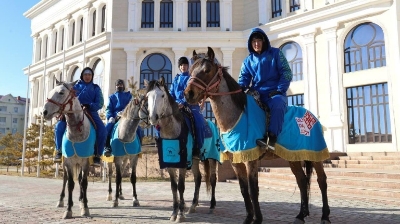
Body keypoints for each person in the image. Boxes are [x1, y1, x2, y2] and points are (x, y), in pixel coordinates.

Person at [238, 28, 293, 150]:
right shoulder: (248, 61)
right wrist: (242, 87)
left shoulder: (276, 53)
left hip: (275, 92)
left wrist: (280, 89)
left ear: (264, 41)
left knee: (278, 103)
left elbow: (286, 72)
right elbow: (243, 78)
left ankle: (271, 138)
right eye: (253, 42)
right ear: (250, 44)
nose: (256, 44)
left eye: (258, 40)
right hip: (257, 93)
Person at [53, 67, 107, 166]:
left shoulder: (96, 88)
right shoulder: (74, 87)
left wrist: (90, 105)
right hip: (72, 111)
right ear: (82, 76)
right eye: (85, 75)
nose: (87, 77)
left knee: (103, 130)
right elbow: (67, 98)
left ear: (92, 76)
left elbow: (100, 102)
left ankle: (97, 155)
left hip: (90, 111)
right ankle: (59, 151)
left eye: (89, 75)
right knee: (58, 126)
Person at [169, 56, 206, 153]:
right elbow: (171, 93)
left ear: (188, 66)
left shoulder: (191, 78)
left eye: (185, 65)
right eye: (181, 65)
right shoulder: (176, 79)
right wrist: (174, 103)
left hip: (191, 104)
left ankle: (198, 147)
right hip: (176, 106)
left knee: (199, 123)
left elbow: (191, 93)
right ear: (179, 67)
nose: (183, 67)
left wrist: (183, 103)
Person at [104, 79, 143, 156]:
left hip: (127, 116)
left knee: (139, 129)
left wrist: (125, 112)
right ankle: (107, 147)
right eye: (118, 85)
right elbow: (108, 109)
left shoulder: (128, 95)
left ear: (124, 86)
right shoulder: (112, 97)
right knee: (107, 128)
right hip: (115, 117)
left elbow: (132, 106)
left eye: (121, 85)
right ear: (115, 86)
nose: (119, 86)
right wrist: (110, 117)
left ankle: (139, 148)